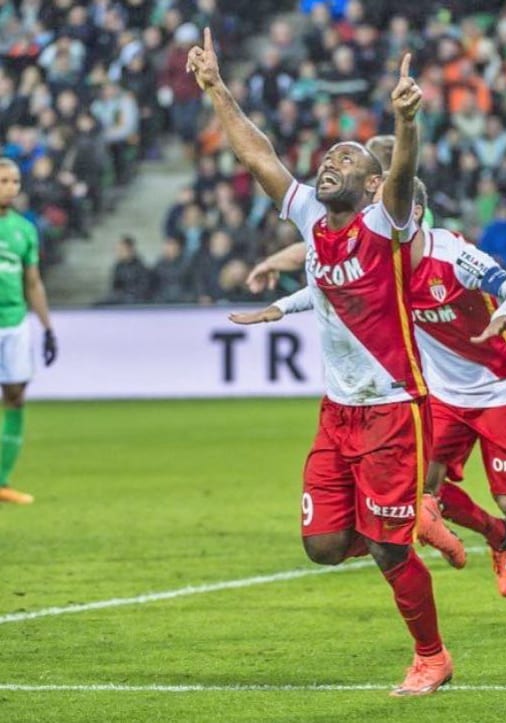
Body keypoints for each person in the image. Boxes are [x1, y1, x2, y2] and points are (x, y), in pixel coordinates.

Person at [187, 29, 452, 696]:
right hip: (337, 413)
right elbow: (258, 156)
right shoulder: (312, 221)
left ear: (370, 184)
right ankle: (393, 524)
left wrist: (403, 122)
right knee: (324, 546)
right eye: (327, 155)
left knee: (390, 550)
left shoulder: (385, 223)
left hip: (391, 408)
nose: (329, 162)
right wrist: (216, 89)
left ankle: (431, 656)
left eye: (346, 160)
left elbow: (403, 174)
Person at [239, 174, 506, 624]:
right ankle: (499, 536)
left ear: (415, 213)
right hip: (442, 394)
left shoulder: (454, 254)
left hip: (497, 388)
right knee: (423, 488)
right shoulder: (388, 260)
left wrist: (505, 314)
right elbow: (328, 287)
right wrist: (281, 308)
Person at [0, 158, 58, 504]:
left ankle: (2, 481)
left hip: (16, 322)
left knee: (17, 396)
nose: (10, 187)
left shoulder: (24, 229)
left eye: (15, 182)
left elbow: (32, 282)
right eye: (4, 181)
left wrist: (48, 328)